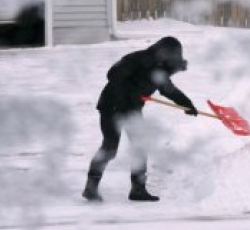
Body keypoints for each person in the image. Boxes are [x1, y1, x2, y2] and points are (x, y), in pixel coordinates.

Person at [82, 36, 198, 202]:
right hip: (112, 105)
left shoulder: (160, 70)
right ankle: (90, 188)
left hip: (131, 110)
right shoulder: (137, 59)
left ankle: (138, 190)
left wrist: (187, 104)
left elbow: (169, 90)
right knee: (109, 147)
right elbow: (113, 74)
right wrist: (131, 92)